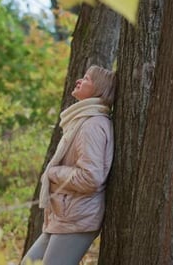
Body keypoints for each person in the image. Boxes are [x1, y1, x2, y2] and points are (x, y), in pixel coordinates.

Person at [21, 65, 116, 265]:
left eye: (87, 79)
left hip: (78, 218)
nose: (79, 81)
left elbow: (91, 178)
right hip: (64, 217)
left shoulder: (92, 126)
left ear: (98, 89)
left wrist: (54, 173)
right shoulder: (81, 121)